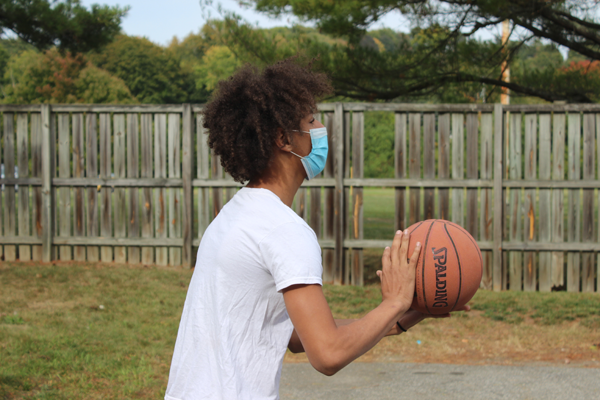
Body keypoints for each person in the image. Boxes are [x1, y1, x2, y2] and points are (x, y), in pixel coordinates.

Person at [165, 59, 467, 400]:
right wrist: (395, 301)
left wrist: (408, 312)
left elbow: (296, 338)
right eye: (310, 120)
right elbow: (327, 354)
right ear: (283, 139)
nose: (321, 127)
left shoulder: (238, 213)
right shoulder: (283, 230)